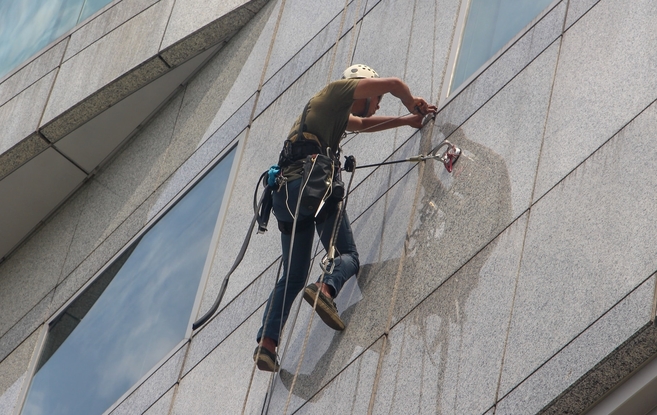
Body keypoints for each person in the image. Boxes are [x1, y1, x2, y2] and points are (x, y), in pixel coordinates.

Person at [254, 64, 437, 372]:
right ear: (363, 87)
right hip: (312, 187)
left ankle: (267, 344)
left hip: (285, 196)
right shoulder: (336, 92)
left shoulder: (328, 114)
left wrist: (406, 121)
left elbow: (363, 124)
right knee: (348, 255)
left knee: (293, 275)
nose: (376, 105)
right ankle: (326, 288)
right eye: (375, 98)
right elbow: (393, 83)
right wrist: (411, 102)